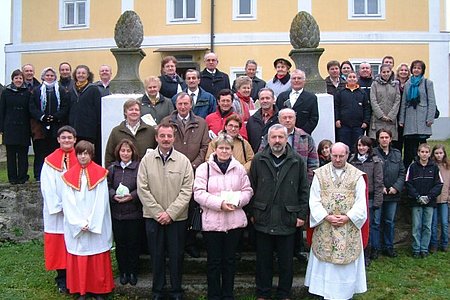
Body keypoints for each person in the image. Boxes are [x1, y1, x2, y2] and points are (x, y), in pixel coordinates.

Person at [249, 124, 309, 300]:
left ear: (286, 138)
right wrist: (252, 212)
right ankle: (263, 293)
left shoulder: (297, 160)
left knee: (286, 262)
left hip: (287, 218)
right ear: (268, 139)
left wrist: (301, 215)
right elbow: (251, 187)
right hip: (263, 216)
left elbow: (304, 190)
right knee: (263, 261)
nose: (277, 141)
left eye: (280, 137)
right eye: (273, 137)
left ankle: (284, 294)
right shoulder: (258, 159)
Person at [193, 133, 253, 300]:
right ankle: (214, 295)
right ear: (215, 149)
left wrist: (238, 201)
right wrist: (219, 204)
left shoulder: (239, 168)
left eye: (227, 148)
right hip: (212, 222)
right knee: (213, 262)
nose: (224, 151)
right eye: (221, 148)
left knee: (230, 261)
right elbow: (198, 193)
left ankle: (228, 294)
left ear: (232, 150)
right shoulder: (204, 168)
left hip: (234, 222)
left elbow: (247, 190)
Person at [137, 123, 194, 300]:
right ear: (156, 138)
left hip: (177, 218)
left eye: (169, 136)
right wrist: (158, 213)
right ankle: (158, 290)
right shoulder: (146, 160)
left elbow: (187, 190)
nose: (166, 139)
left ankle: (176, 290)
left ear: (174, 138)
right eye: (162, 136)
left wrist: (171, 213)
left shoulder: (183, 161)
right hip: (153, 218)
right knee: (156, 254)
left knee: (176, 255)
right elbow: (142, 188)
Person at [305, 142, 368, 300]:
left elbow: (362, 202)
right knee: (326, 264)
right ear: (329, 155)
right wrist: (326, 216)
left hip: (348, 227)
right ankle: (324, 294)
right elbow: (314, 200)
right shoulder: (319, 174)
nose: (338, 159)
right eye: (334, 155)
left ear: (347, 155)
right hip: (326, 226)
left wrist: (348, 217)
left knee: (344, 268)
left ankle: (345, 294)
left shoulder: (357, 175)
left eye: (341, 156)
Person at [61, 141, 114, 300]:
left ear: (91, 155)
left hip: (95, 223)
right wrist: (78, 223)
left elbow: (101, 200)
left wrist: (92, 222)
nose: (83, 157)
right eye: (80, 153)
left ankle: (99, 290)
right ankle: (81, 289)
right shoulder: (68, 176)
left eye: (86, 153)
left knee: (97, 254)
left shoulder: (100, 174)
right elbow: (67, 201)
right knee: (80, 254)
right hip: (77, 224)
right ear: (76, 155)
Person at [162, 92, 210, 258]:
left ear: (191, 105)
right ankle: (173, 245)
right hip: (171, 171)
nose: (183, 107)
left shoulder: (201, 123)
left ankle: (189, 243)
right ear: (176, 105)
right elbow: (163, 144)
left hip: (194, 170)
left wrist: (192, 165)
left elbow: (205, 147)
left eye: (186, 104)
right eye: (180, 104)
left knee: (191, 208)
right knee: (173, 205)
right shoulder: (167, 122)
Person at [41, 125, 77, 294]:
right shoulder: (49, 161)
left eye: (70, 137)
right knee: (59, 244)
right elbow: (47, 187)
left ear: (75, 140)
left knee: (75, 242)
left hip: (77, 210)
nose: (67, 140)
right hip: (58, 212)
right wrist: (59, 206)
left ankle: (75, 275)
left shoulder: (82, 158)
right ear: (58, 140)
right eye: (64, 138)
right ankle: (61, 278)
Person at [107, 139, 142, 286]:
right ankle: (123, 272)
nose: (125, 153)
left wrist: (132, 196)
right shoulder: (112, 168)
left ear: (132, 152)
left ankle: (133, 272)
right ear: (118, 152)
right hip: (117, 214)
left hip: (133, 214)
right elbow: (106, 185)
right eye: (123, 150)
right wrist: (113, 195)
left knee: (133, 244)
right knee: (120, 244)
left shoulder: (138, 168)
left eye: (128, 151)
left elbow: (142, 186)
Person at [29, 67, 70, 181]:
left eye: (52, 76)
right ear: (43, 77)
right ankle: (39, 175)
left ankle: (56, 174)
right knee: (40, 151)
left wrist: (55, 117)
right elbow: (32, 107)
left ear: (55, 77)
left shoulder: (61, 90)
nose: (49, 77)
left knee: (55, 150)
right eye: (47, 75)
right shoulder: (36, 91)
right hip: (40, 126)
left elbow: (65, 107)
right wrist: (42, 117)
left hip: (56, 125)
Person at [349, 136, 384, 266]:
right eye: (359, 145)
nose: (361, 148)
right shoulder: (352, 160)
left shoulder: (375, 162)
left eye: (364, 145)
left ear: (369, 147)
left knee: (370, 226)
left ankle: (369, 253)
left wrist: (377, 202)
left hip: (370, 197)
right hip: (355, 199)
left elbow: (379, 182)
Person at [405, 143, 443, 258]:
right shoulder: (413, 167)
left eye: (426, 152)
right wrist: (417, 196)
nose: (424, 154)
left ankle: (424, 249)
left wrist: (429, 196)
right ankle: (416, 249)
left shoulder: (434, 167)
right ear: (418, 153)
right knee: (416, 226)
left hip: (429, 202)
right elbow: (408, 183)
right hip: (416, 201)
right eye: (422, 152)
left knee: (427, 226)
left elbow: (439, 184)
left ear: (429, 154)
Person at [373, 128, 405, 258]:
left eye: (386, 137)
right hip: (378, 194)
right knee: (376, 222)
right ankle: (375, 248)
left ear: (391, 139)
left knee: (389, 221)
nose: (384, 140)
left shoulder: (397, 154)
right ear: (378, 139)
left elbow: (402, 172)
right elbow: (371, 173)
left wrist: (396, 187)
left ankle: (389, 247)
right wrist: (380, 187)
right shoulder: (373, 153)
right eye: (382, 137)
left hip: (393, 194)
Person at [399, 60, 436, 169]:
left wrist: (430, 118)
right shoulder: (408, 84)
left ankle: (424, 169)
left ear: (422, 70)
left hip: (422, 119)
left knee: (422, 148)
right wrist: (401, 119)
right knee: (409, 149)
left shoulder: (427, 83)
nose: (416, 70)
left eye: (419, 68)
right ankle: (407, 172)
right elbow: (404, 103)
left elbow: (431, 101)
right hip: (410, 120)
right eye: (414, 68)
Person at [104, 98, 157, 168]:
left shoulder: (150, 131)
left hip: (146, 173)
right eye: (131, 110)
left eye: (136, 110)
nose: (134, 112)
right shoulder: (116, 131)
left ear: (140, 112)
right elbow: (109, 156)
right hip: (123, 175)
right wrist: (112, 174)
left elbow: (157, 153)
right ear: (125, 112)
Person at [0, 69, 31, 184]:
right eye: (16, 78)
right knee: (11, 155)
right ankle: (12, 178)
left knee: (23, 154)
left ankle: (23, 177)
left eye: (20, 78)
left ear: (23, 80)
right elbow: (2, 110)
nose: (18, 80)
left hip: (23, 128)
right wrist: (1, 128)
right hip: (10, 128)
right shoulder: (6, 92)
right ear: (12, 79)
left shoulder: (27, 93)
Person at [68, 65, 102, 165]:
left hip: (89, 129)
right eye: (78, 73)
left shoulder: (93, 89)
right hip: (74, 127)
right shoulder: (72, 90)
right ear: (75, 75)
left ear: (88, 75)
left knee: (88, 152)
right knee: (77, 152)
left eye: (83, 73)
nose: (81, 75)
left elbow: (98, 108)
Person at [334, 71, 370, 152]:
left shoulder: (362, 93)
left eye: (354, 77)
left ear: (357, 79)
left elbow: (367, 108)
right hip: (344, 126)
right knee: (344, 146)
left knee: (356, 146)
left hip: (358, 126)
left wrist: (365, 122)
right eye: (350, 77)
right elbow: (337, 107)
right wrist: (337, 119)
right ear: (346, 79)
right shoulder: (341, 92)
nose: (352, 79)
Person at [276, 69, 319, 135]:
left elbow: (314, 118)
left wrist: (302, 132)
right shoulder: (282, 96)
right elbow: (276, 114)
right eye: (294, 78)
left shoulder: (311, 98)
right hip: (282, 134)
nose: (296, 80)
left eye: (299, 78)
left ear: (304, 81)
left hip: (303, 134)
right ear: (290, 81)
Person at [368, 64, 401, 141]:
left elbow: (397, 101)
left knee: (389, 142)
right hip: (377, 120)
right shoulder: (375, 84)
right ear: (380, 73)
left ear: (391, 72)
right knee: (377, 142)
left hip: (391, 120)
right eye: (384, 72)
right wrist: (381, 115)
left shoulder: (395, 85)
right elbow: (373, 100)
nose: (386, 74)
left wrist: (391, 116)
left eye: (388, 72)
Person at [246, 88, 279, 153]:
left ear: (273, 100)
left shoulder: (280, 119)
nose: (265, 101)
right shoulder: (252, 120)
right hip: (256, 158)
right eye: (262, 98)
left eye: (267, 98)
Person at [430, 144, 449, 252]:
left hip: (444, 199)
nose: (439, 155)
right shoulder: (432, 166)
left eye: (441, 153)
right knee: (433, 223)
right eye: (436, 153)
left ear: (444, 154)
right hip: (433, 199)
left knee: (444, 222)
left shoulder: (448, 167)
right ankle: (434, 244)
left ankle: (445, 243)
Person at [392, 63, 411, 152]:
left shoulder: (411, 84)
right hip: (395, 114)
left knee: (408, 142)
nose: (403, 72)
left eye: (405, 70)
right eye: (401, 70)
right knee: (397, 141)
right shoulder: (393, 84)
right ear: (398, 72)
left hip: (408, 114)